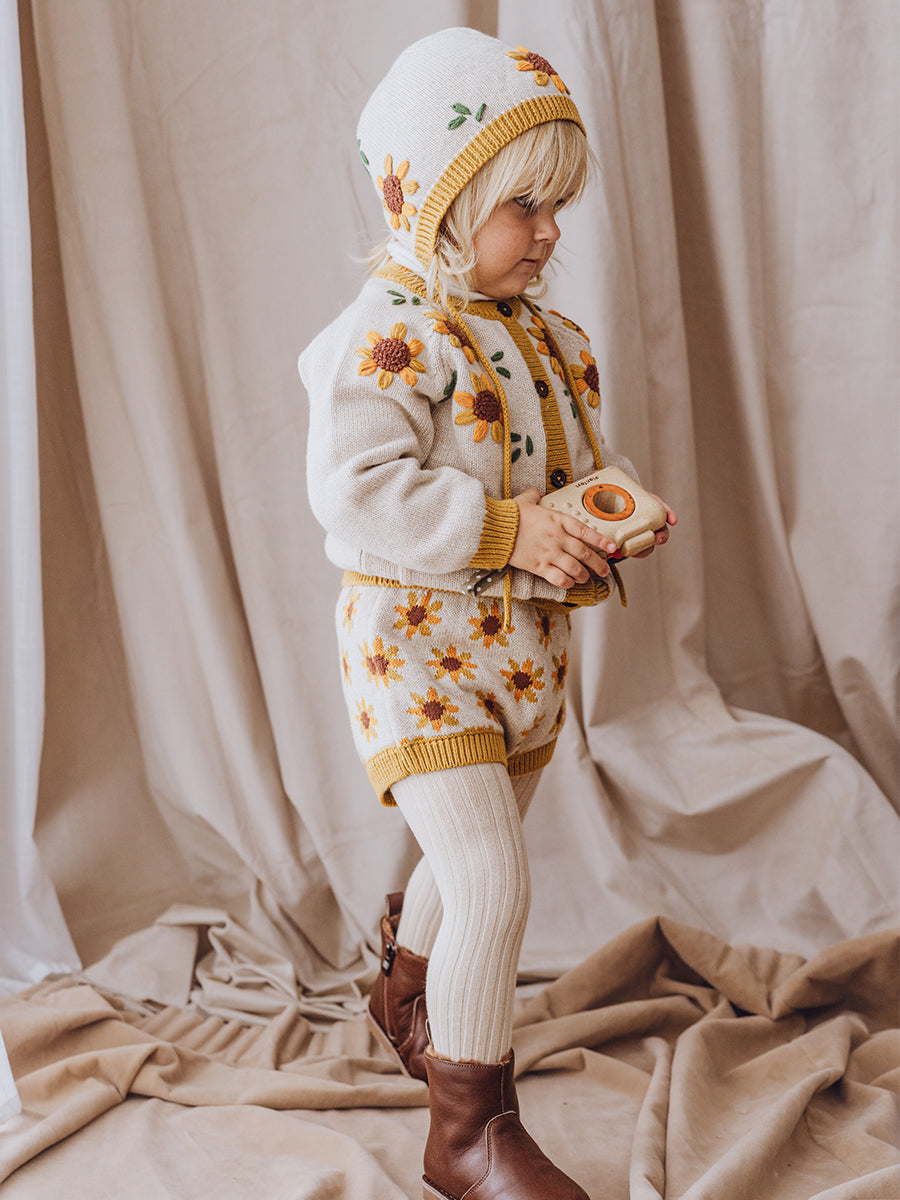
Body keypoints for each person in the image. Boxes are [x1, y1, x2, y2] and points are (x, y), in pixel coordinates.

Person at [299, 26, 675, 1200]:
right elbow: (356, 490)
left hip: (518, 656)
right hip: (417, 655)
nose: (551, 231)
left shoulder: (549, 335)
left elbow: (564, 464)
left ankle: (409, 993)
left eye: (558, 205)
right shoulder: (389, 336)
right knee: (492, 878)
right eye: (525, 206)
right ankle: (469, 1132)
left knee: (471, 863)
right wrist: (510, 531)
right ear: (439, 202)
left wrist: (607, 509)